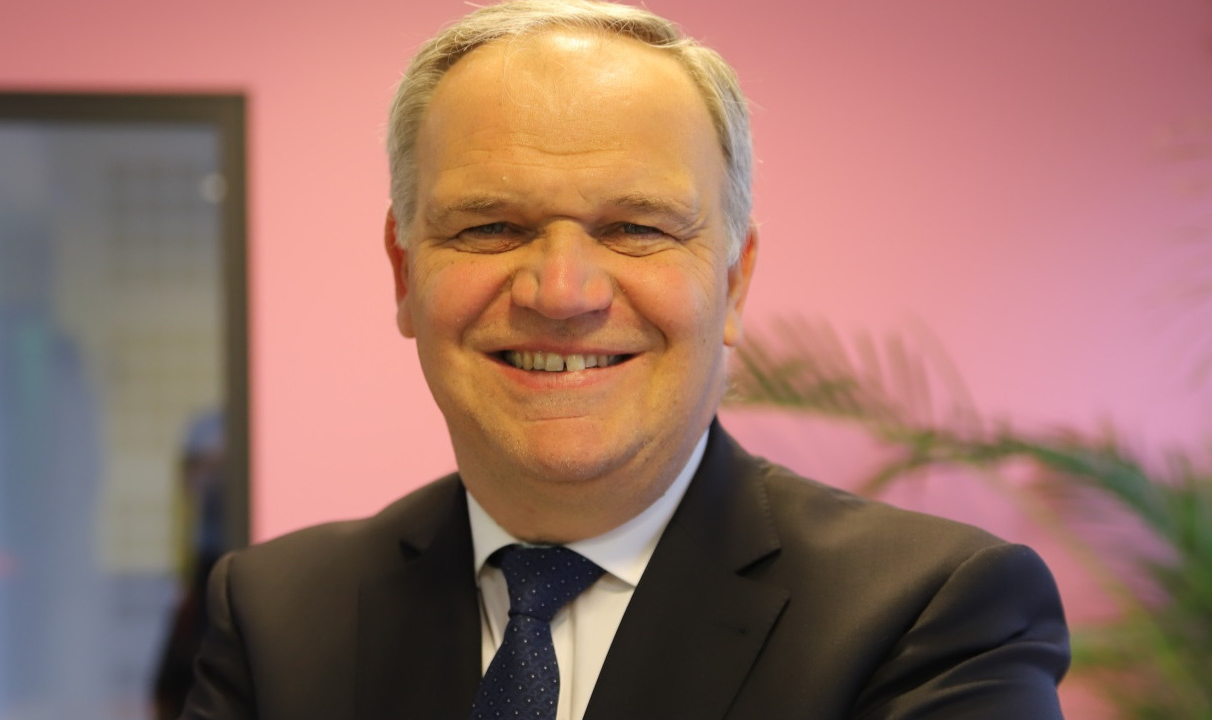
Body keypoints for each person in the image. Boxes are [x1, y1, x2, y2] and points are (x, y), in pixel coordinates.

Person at [180, 1, 1071, 718]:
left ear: (734, 280)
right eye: (492, 226)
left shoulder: (931, 616)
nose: (562, 292)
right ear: (405, 272)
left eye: (636, 228)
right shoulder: (274, 617)